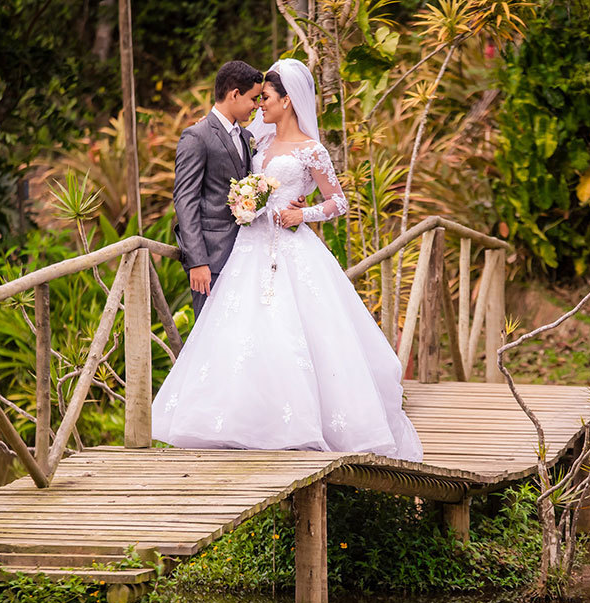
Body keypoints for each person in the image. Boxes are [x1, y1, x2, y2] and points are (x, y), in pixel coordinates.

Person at [152, 58, 422, 462]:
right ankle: (241, 424)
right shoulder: (255, 145)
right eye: (257, 99)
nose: (260, 106)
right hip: (248, 248)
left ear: (288, 101)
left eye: (267, 99)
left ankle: (302, 426)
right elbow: (223, 191)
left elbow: (339, 201)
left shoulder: (311, 151)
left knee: (297, 332)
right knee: (245, 334)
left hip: (293, 250)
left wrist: (304, 214)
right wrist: (246, 206)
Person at [172, 60, 263, 318]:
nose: (256, 106)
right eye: (253, 99)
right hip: (211, 260)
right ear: (234, 94)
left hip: (246, 253)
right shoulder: (196, 136)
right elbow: (185, 200)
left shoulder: (247, 138)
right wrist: (198, 261)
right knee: (208, 335)